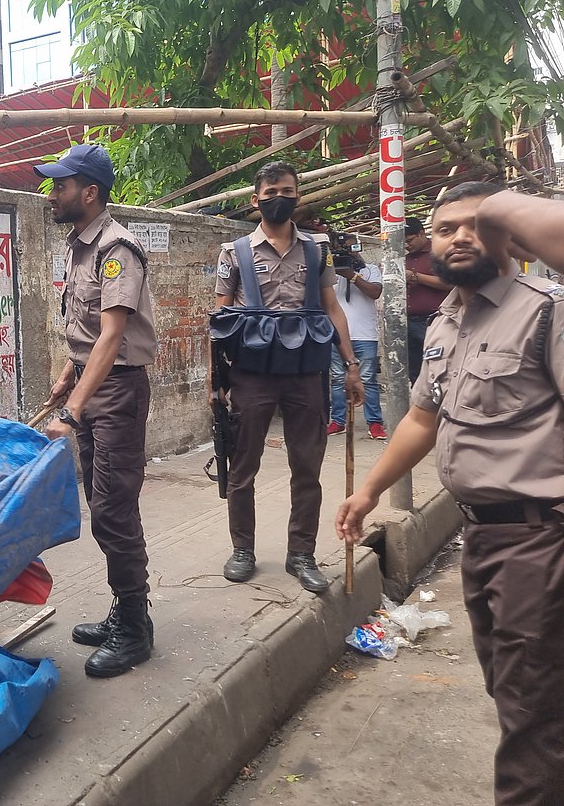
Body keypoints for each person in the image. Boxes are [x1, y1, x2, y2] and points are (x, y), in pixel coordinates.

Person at [336, 181, 564, 806]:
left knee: (531, 719)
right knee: (518, 695)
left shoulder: (546, 309)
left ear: (511, 234)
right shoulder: (445, 321)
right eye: (444, 228)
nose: (459, 237)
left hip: (540, 539)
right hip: (482, 538)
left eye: (477, 224)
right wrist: (369, 492)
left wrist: (504, 205)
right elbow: (421, 419)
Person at [36, 144, 158, 679]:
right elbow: (88, 335)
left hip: (117, 394)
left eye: (61, 184)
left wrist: (76, 410)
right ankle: (122, 611)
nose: (53, 192)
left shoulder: (116, 249)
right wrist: (69, 374)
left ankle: (135, 626)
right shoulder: (79, 247)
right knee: (103, 504)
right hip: (96, 385)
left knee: (113, 509)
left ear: (89, 192)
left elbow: (113, 337)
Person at [212, 162, 363, 593]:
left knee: (307, 466)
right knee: (243, 467)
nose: (280, 196)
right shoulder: (234, 252)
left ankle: (302, 554)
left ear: (298, 195)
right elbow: (220, 317)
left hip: (305, 374)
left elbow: (333, 308)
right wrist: (216, 383)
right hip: (252, 375)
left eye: (288, 190)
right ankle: (242, 550)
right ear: (255, 200)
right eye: (272, 190)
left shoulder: (317, 249)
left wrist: (350, 366)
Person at [326, 235, 386, 440]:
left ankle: (375, 422)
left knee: (368, 380)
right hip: (337, 336)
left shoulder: (370, 270)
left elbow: (375, 292)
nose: (349, 252)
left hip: (364, 335)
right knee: (336, 380)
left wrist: (351, 275)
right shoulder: (329, 273)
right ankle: (338, 421)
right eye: (344, 249)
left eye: (352, 248)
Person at [404, 216, 452, 381]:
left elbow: (451, 283)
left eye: (410, 240)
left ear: (421, 234)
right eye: (404, 242)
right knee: (415, 373)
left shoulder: (439, 253)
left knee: (439, 368)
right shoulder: (404, 258)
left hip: (433, 320)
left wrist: (416, 277)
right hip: (408, 322)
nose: (407, 245)